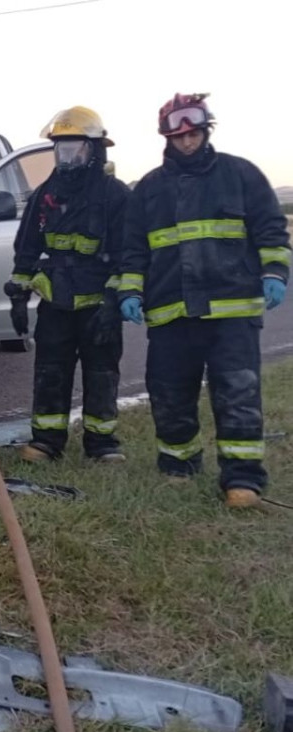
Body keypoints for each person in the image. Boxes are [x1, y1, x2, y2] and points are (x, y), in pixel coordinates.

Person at [118, 93, 291, 508]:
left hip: (232, 311)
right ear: (167, 138)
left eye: (193, 134)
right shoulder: (150, 189)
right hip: (171, 311)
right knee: (169, 392)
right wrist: (129, 290)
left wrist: (274, 273)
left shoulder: (241, 174)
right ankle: (179, 465)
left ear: (205, 131)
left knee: (237, 392)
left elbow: (270, 228)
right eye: (179, 137)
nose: (187, 143)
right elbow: (134, 248)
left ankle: (243, 479)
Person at [7, 106, 131, 463]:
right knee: (51, 372)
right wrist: (18, 292)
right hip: (56, 304)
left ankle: (102, 443)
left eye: (74, 148)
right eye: (61, 149)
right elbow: (27, 246)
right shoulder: (46, 194)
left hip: (98, 305)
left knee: (102, 373)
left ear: (94, 150)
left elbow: (129, 252)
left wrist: (114, 300)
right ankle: (46, 441)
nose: (67, 156)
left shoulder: (116, 195)